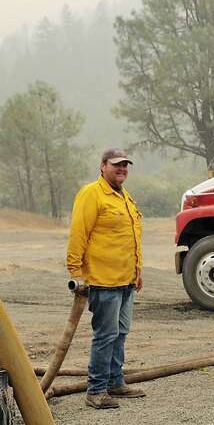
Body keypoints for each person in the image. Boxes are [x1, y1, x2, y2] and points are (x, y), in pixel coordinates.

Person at [65, 148, 146, 410]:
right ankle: (96, 389)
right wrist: (75, 273)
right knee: (106, 334)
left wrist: (138, 271)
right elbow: (79, 233)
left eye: (125, 165)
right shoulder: (92, 194)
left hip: (126, 280)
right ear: (102, 166)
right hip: (103, 281)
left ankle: (114, 382)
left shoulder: (125, 198)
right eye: (116, 165)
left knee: (120, 333)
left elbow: (131, 237)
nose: (122, 169)